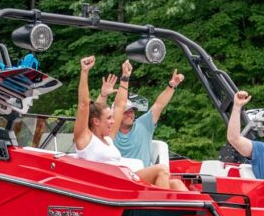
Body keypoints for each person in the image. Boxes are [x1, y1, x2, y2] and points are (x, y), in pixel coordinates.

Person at [73, 56, 186, 191]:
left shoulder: (108, 139)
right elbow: (83, 104)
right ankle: (159, 210)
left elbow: (120, 105)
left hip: (126, 180)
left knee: (177, 185)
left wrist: (125, 78)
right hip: (111, 187)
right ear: (96, 121)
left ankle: (198, 211)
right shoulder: (85, 141)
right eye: (109, 118)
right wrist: (84, 72)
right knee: (162, 170)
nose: (113, 121)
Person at [97, 65, 185, 171]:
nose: (130, 114)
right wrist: (103, 95)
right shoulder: (108, 131)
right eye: (126, 112)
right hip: (120, 178)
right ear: (117, 114)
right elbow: (95, 117)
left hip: (143, 179)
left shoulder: (144, 124)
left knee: (174, 181)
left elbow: (158, 105)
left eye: (132, 111)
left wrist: (172, 86)